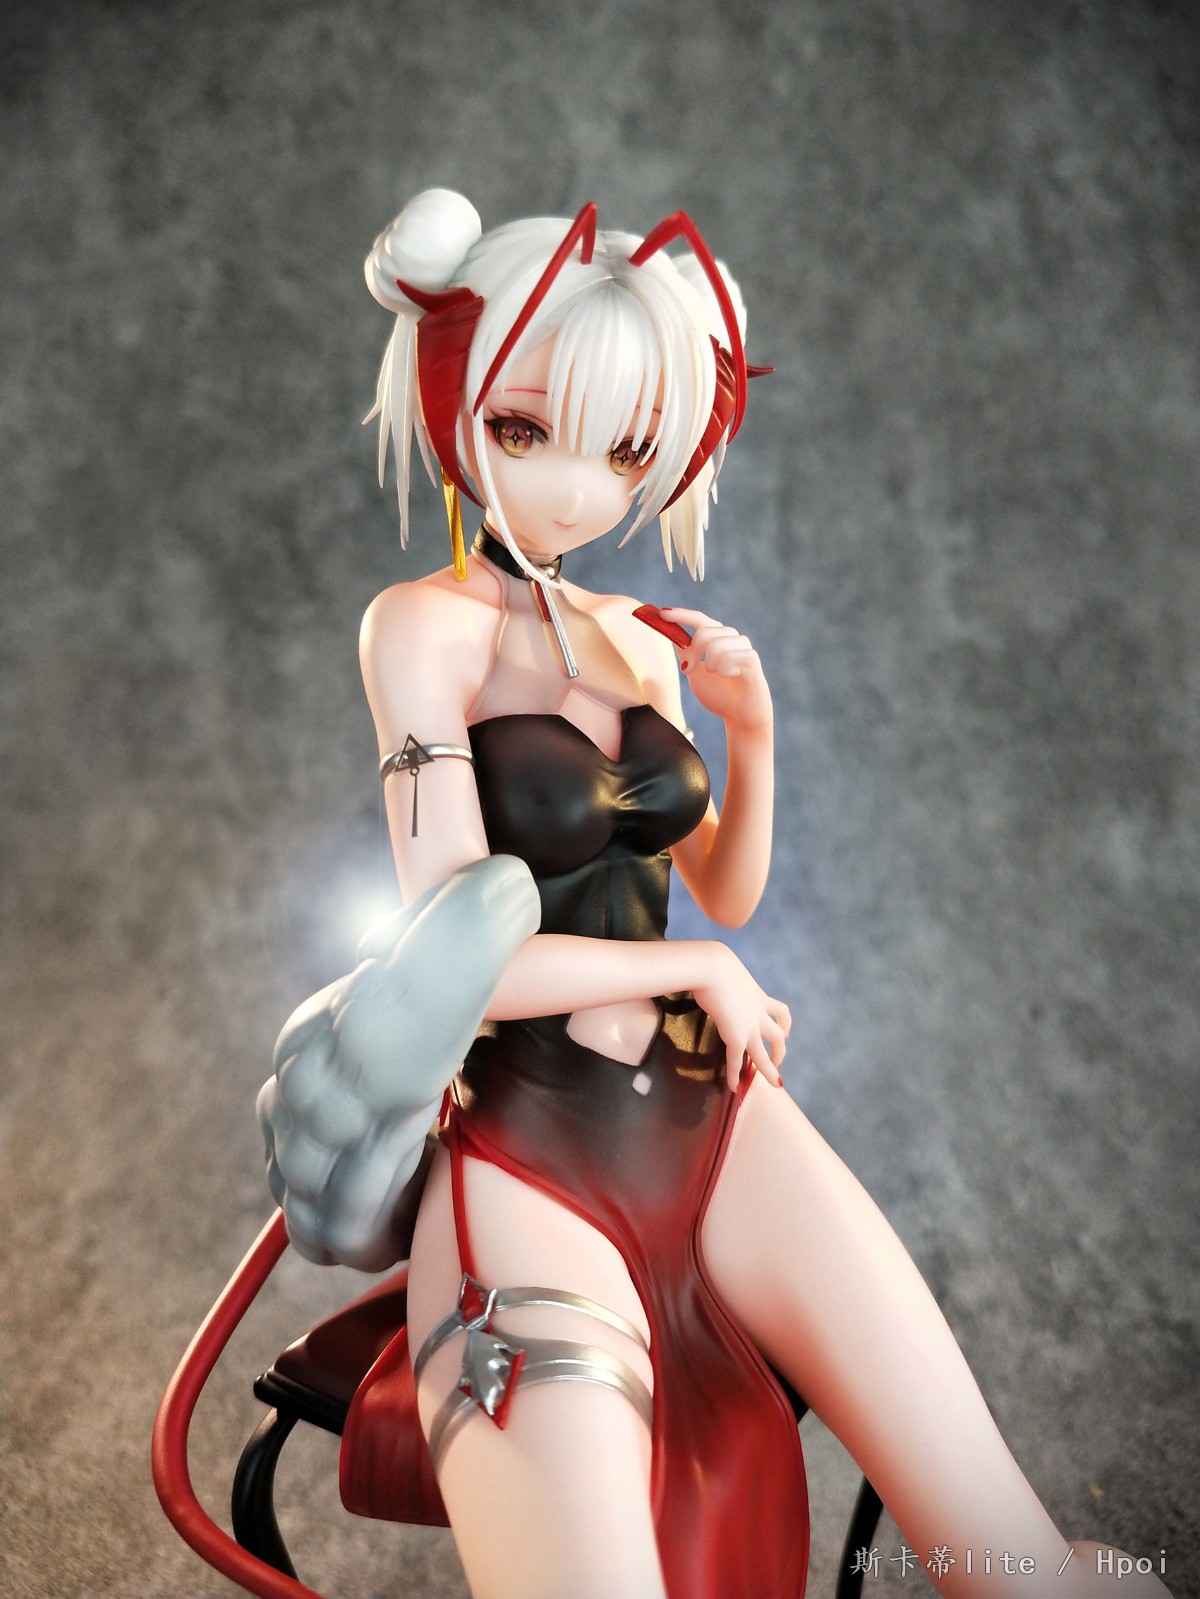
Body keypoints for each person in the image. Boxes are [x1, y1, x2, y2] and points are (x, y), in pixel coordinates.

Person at [341, 189, 1169, 1599]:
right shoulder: (421, 629)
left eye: (625, 450)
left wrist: (756, 733)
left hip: (714, 1118)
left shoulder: (635, 639)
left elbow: (719, 885)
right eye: (528, 430)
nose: (574, 490)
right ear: (452, 401)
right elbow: (450, 959)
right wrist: (690, 972)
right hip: (527, 1147)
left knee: (1019, 1566)